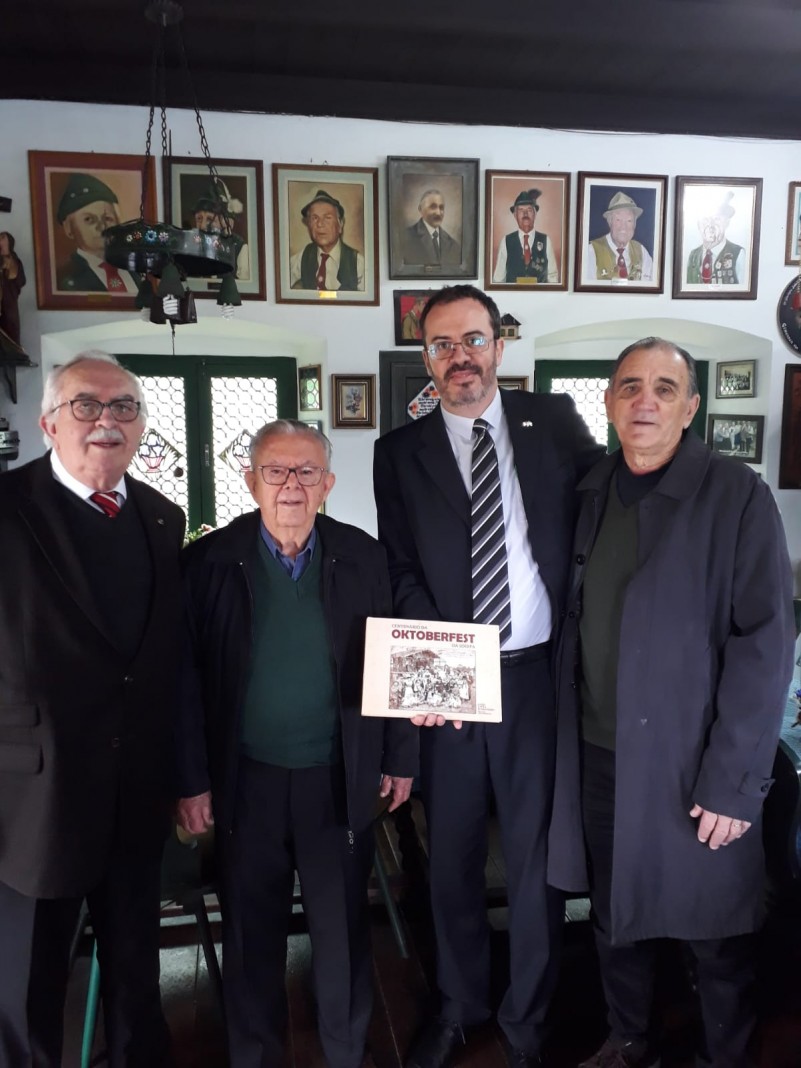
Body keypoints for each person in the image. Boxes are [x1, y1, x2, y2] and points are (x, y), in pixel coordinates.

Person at [373, 284, 603, 1068]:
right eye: (441, 345)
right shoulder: (395, 453)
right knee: (452, 856)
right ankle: (458, 1004)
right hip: (450, 681)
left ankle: (528, 1018)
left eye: (471, 339)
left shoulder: (555, 423)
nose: (458, 357)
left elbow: (603, 523)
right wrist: (431, 672)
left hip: (539, 677)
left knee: (537, 862)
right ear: (426, 359)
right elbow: (399, 569)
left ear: (498, 345)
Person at [549, 338, 794, 1068]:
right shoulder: (590, 489)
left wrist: (732, 781)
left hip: (695, 761)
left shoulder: (734, 494)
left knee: (712, 929)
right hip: (597, 752)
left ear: (689, 408)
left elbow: (764, 643)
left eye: (663, 387)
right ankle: (628, 1041)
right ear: (609, 403)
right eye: (628, 386)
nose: (644, 400)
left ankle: (726, 1054)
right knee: (614, 915)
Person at [176, 419, 418, 1068]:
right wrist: (192, 779)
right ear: (250, 480)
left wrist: (398, 756)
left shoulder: (363, 557)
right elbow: (185, 680)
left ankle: (345, 1054)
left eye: (306, 471)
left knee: (340, 933)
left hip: (336, 777)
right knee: (251, 933)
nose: (290, 484)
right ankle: (251, 1056)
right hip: (243, 779)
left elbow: (393, 660)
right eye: (275, 471)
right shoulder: (208, 562)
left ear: (328, 483)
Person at [0, 351, 185, 1067]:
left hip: (134, 787)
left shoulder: (162, 520)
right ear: (49, 422)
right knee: (27, 982)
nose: (106, 420)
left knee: (137, 966)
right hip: (33, 793)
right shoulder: (8, 510)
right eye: (86, 405)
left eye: (124, 408)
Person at [55, 173, 140, 294]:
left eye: (107, 218)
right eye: (89, 219)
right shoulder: (64, 279)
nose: (102, 227)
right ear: (69, 229)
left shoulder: (138, 268)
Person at [289, 189, 365, 291]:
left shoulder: (358, 263)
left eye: (327, 218)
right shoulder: (302, 257)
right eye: (315, 218)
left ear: (340, 225)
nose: (320, 224)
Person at [492, 189, 559, 284]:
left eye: (529, 210)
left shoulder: (545, 240)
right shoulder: (506, 241)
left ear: (535, 214)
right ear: (515, 215)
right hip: (513, 296)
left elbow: (552, 277)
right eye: (521, 210)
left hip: (540, 296)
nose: (525, 214)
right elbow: (498, 279)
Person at [585, 192, 654, 283]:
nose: (623, 227)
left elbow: (650, 288)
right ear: (610, 222)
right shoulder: (591, 251)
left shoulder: (642, 252)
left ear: (635, 224)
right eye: (618, 220)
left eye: (629, 221)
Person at [192, 185, 250, 281]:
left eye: (209, 219)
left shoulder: (239, 247)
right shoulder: (192, 245)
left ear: (224, 222)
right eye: (199, 218)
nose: (202, 226)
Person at [686, 192, 745, 285]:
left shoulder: (739, 254)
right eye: (705, 219)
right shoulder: (693, 255)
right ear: (698, 224)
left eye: (716, 219)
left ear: (727, 223)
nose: (710, 226)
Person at [402, 189, 461, 266]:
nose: (438, 213)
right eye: (433, 207)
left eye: (441, 207)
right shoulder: (405, 238)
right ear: (420, 209)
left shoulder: (453, 245)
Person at [0, 231, 25, 345]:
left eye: (2, 238)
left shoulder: (15, 260)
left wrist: (8, 264)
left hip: (9, 300)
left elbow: (18, 279)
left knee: (10, 325)